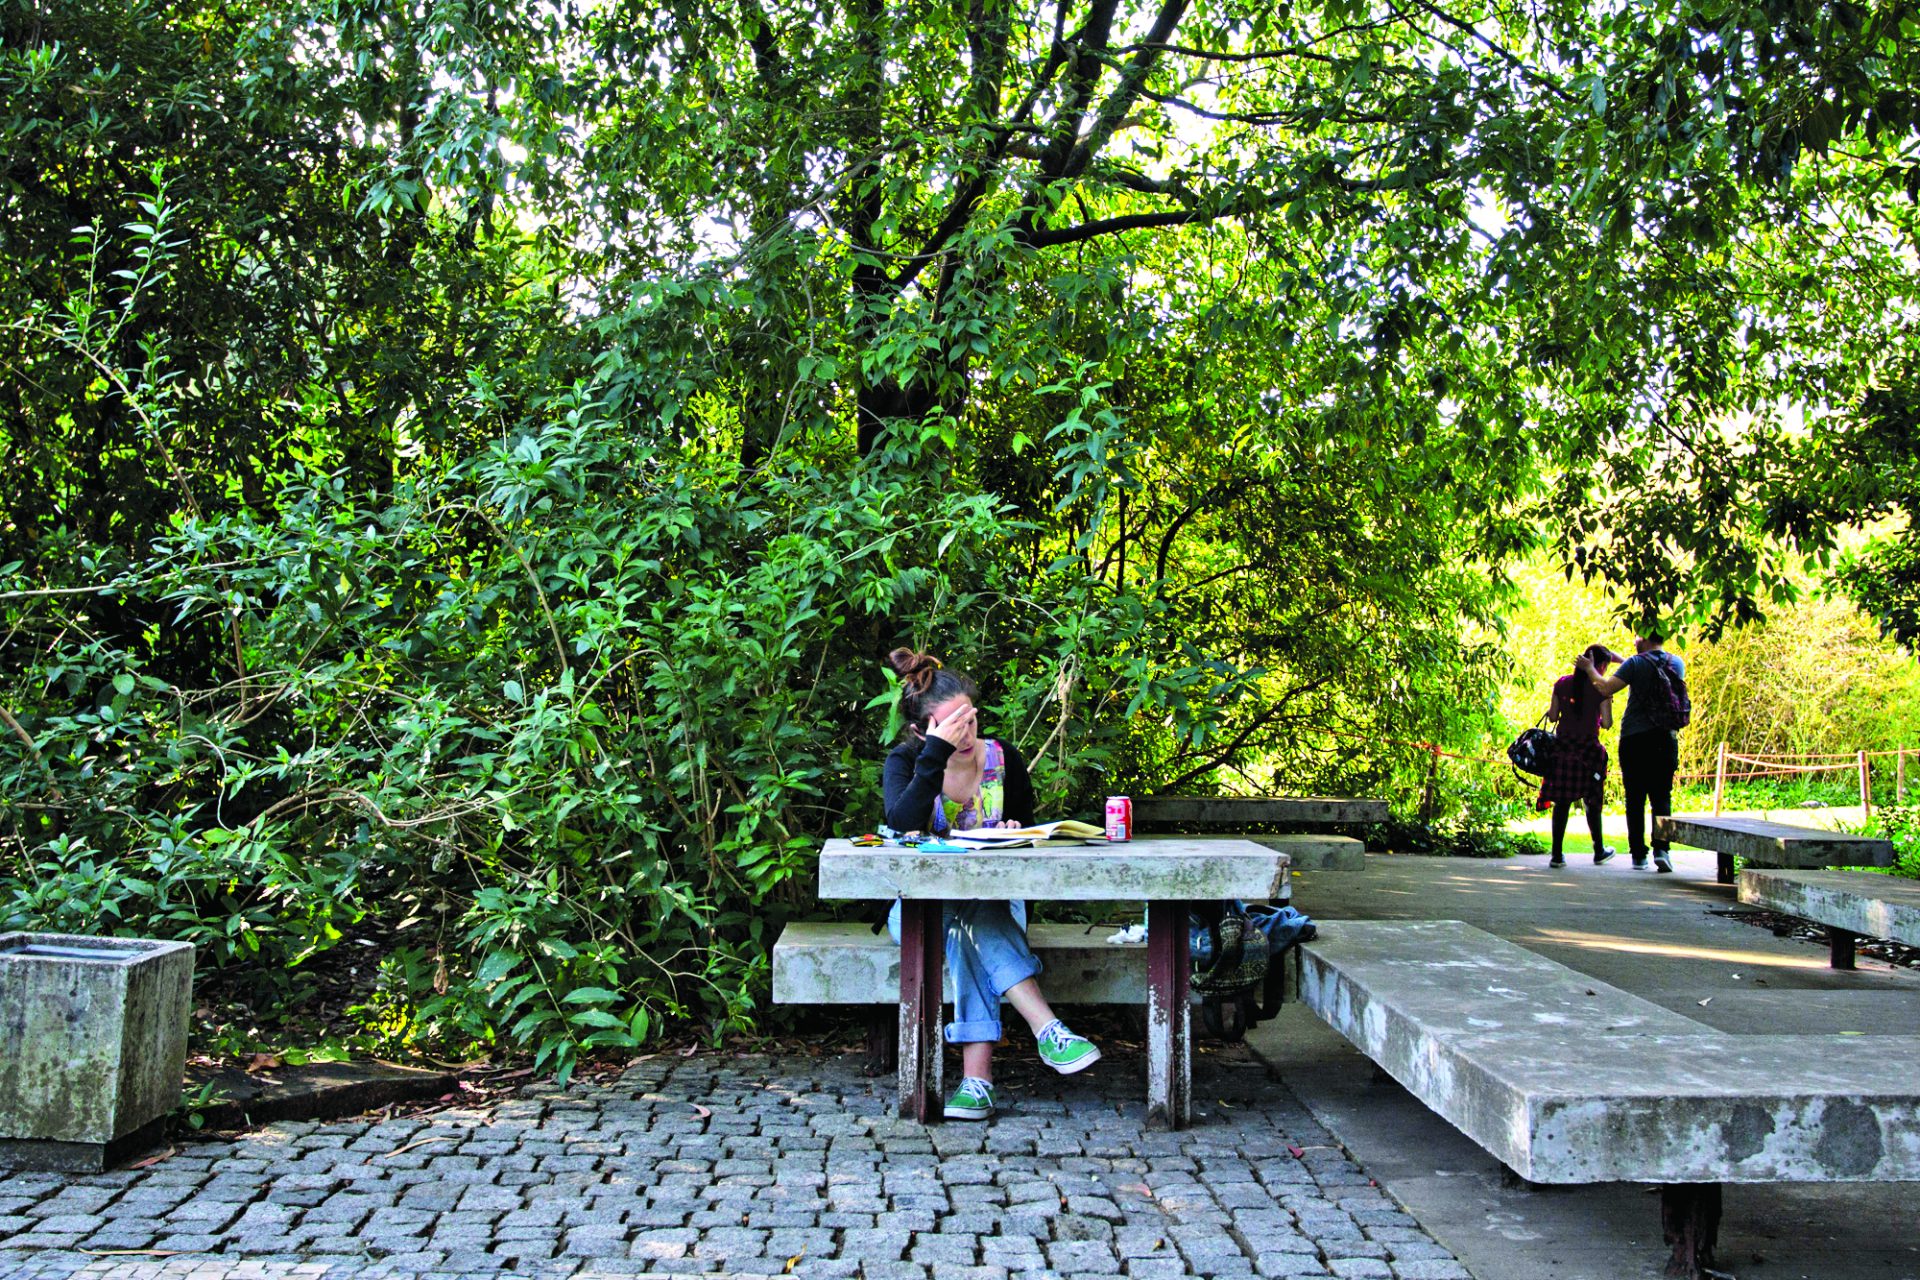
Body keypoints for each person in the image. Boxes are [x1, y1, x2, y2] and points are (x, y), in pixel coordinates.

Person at [879, 648, 1101, 1121]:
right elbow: (901, 823)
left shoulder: (1004, 759)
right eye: (950, 727)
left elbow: (1033, 840)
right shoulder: (905, 762)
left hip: (996, 905)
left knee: (969, 921)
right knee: (959, 917)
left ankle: (978, 1085)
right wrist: (933, 756)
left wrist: (1015, 834)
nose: (965, 735)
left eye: (970, 722)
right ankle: (1046, 1029)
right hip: (920, 912)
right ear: (922, 730)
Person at [1577, 633, 1684, 873]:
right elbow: (1647, 669)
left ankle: (1638, 855)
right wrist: (1621, 660)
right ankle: (1662, 850)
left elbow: (1604, 686)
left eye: (1636, 636)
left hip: (1636, 738)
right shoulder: (1676, 663)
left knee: (1635, 798)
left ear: (1644, 637)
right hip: (1666, 739)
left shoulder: (1635, 664)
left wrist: (1588, 668)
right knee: (1661, 796)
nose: (1634, 640)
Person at [1537, 644, 1622, 868]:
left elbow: (1553, 717)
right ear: (1601, 666)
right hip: (1588, 752)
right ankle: (1598, 849)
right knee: (1592, 800)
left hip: (1563, 749)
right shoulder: (1602, 690)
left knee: (1561, 802)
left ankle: (1556, 855)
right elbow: (1607, 723)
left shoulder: (1562, 683)